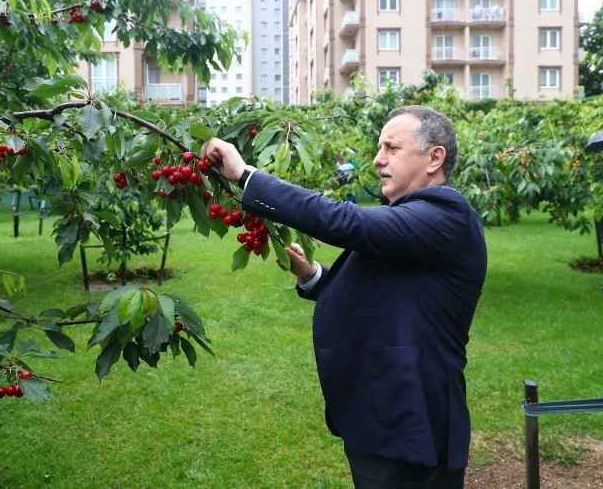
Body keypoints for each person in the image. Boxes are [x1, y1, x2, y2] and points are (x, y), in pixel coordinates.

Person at [200, 105, 488, 488]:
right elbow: (389, 295)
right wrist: (313, 277)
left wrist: (246, 175)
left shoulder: (447, 215)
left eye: (392, 148)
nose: (378, 159)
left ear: (435, 158)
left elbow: (346, 220)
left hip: (411, 425)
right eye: (379, 147)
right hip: (384, 417)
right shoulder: (412, 220)